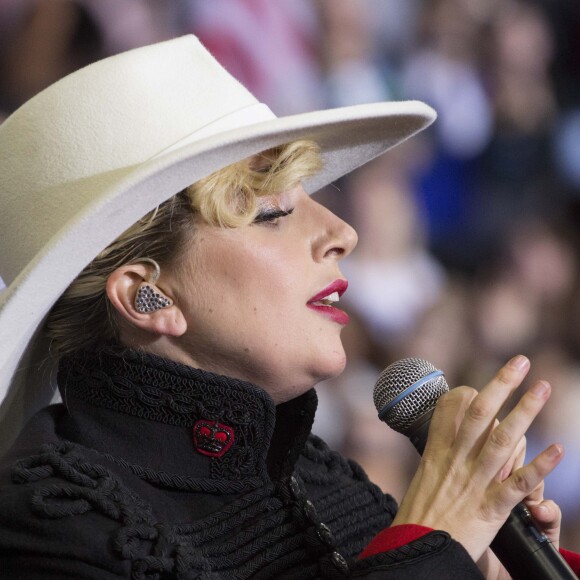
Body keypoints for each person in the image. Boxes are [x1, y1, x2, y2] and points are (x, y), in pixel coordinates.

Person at [0, 35, 577, 579]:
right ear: (146, 295)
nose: (343, 232)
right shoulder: (49, 518)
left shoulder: (320, 473)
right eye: (271, 212)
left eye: (315, 198)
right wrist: (432, 541)